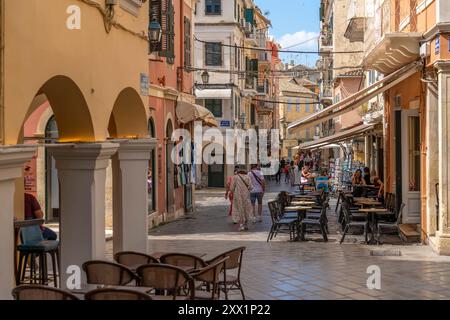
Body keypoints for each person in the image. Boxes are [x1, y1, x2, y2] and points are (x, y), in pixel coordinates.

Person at [230, 166, 253, 231]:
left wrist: (232, 192)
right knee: (246, 209)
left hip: (238, 195)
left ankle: (241, 225)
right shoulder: (247, 177)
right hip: (246, 196)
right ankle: (246, 225)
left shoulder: (235, 177)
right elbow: (251, 187)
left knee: (239, 209)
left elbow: (232, 188)